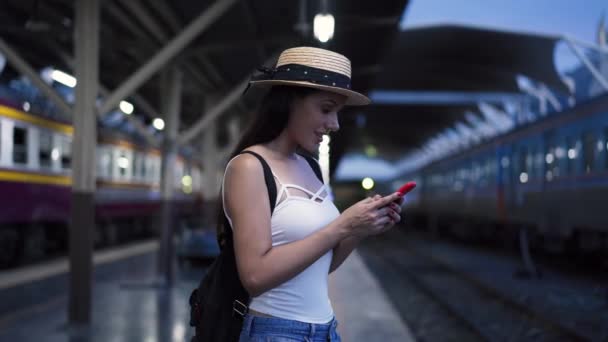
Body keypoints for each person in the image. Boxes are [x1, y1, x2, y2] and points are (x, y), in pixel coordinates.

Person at [220, 46, 404, 342]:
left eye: (337, 113)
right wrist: (342, 225)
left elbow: (321, 266)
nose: (334, 125)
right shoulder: (249, 167)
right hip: (275, 332)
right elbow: (255, 277)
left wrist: (359, 229)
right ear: (290, 101)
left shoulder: (310, 166)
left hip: (326, 329)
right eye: (326, 109)